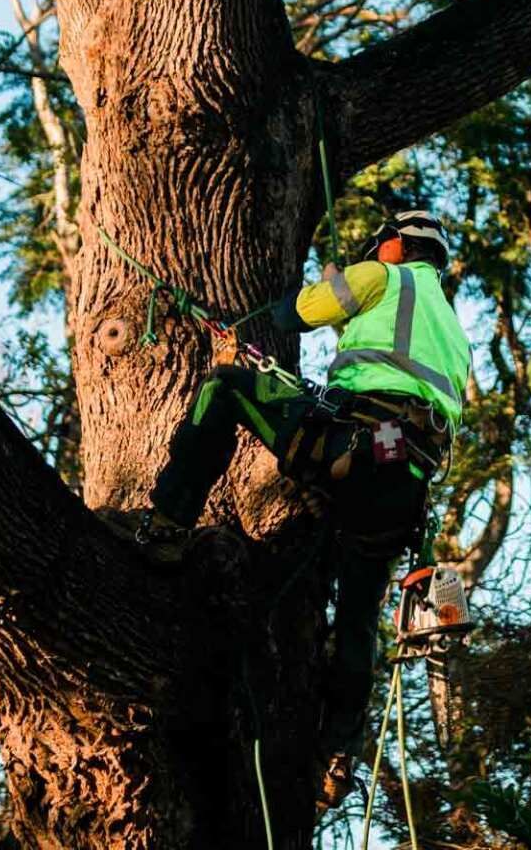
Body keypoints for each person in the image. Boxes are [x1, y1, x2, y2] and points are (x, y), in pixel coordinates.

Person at [146, 208, 471, 809]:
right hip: (404, 482)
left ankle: (165, 523)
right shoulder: (452, 327)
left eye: (381, 244)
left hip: (358, 443)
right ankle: (339, 751)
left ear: (396, 245)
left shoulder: (382, 276)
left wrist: (305, 297)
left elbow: (302, 312)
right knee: (357, 619)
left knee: (225, 387)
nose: (378, 250)